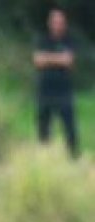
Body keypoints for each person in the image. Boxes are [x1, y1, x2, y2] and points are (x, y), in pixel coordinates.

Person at [33, 8, 79, 158]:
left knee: (70, 127)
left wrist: (48, 58)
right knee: (44, 127)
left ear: (64, 24)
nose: (58, 25)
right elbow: (38, 61)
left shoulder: (69, 41)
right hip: (45, 91)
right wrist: (59, 59)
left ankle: (73, 156)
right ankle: (44, 157)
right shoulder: (42, 40)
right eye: (55, 22)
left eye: (60, 22)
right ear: (50, 23)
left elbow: (69, 61)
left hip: (64, 91)